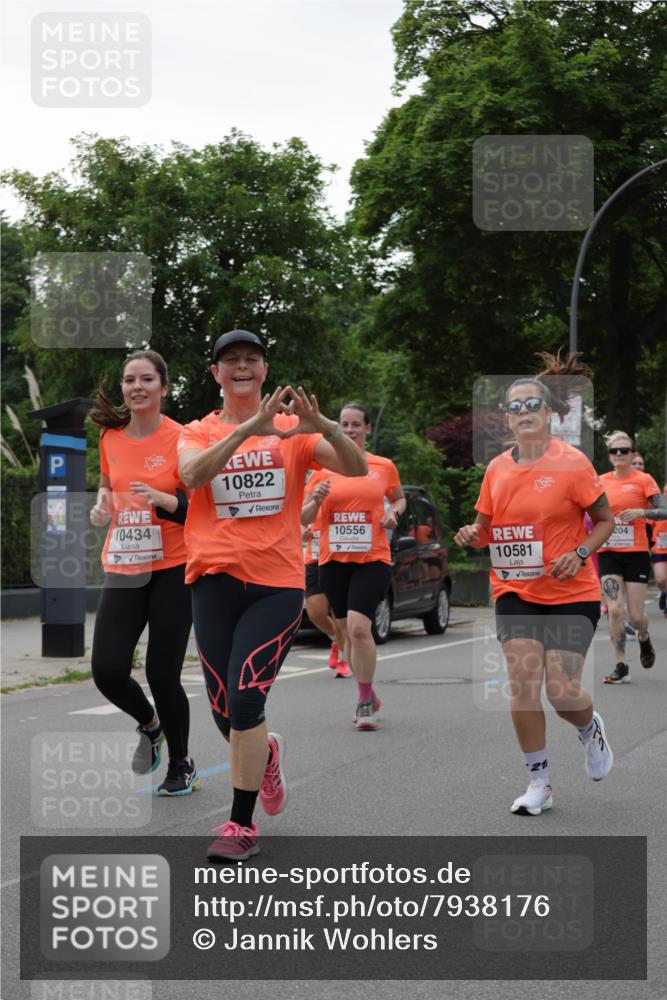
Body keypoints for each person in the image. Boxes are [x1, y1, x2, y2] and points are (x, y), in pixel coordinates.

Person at [177, 330, 367, 860]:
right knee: (222, 710)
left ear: (264, 370)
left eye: (251, 359)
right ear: (215, 372)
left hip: (276, 583)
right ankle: (268, 757)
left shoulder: (293, 433)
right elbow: (191, 475)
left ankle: (240, 826)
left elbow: (356, 467)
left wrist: (323, 425)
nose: (241, 367)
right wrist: (246, 432)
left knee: (244, 699)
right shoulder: (197, 429)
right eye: (230, 360)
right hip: (212, 581)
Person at [454, 352, 615, 816]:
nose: (523, 412)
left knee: (562, 693)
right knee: (522, 684)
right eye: (515, 406)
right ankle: (539, 782)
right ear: (507, 418)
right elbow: (484, 530)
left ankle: (589, 729)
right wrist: (471, 534)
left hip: (570, 592)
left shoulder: (574, 464)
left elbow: (604, 520)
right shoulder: (496, 469)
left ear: (548, 414)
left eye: (532, 405)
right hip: (515, 591)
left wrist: (580, 552)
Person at [89, 350, 196, 796]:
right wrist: (101, 504)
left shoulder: (184, 438)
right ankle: (151, 726)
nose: (136, 387)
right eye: (130, 379)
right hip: (124, 564)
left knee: (162, 672)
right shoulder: (111, 437)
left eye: (147, 379)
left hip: (173, 565)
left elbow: (200, 511)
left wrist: (162, 499)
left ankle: (181, 763)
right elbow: (108, 483)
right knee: (107, 669)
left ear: (163, 387)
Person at [303, 402, 406, 731]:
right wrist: (315, 500)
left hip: (372, 558)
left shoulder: (382, 465)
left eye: (355, 425)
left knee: (361, 629)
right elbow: (302, 518)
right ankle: (370, 691)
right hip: (333, 561)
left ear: (367, 429)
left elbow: (399, 498)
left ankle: (364, 703)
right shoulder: (321, 469)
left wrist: (394, 513)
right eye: (343, 425)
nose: (349, 430)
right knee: (347, 634)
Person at [599, 432, 665, 683]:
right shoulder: (600, 481)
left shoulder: (644, 480)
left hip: (635, 553)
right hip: (608, 553)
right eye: (614, 451)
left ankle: (644, 637)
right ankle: (621, 663)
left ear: (632, 453)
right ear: (609, 455)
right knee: (615, 611)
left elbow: (664, 511)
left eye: (624, 450)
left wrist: (640, 510)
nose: (619, 455)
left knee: (636, 616)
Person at [302, 478, 351, 677]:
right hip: (314, 555)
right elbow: (299, 516)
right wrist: (303, 530)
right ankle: (335, 638)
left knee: (339, 611)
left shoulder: (350, 477)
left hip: (338, 553)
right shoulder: (315, 478)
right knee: (316, 611)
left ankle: (344, 658)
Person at [651, 482, 667, 617]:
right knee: (661, 579)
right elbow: (649, 527)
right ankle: (664, 592)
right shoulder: (658, 509)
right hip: (660, 550)